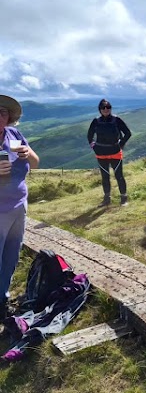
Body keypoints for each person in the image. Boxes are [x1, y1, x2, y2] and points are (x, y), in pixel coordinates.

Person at [0, 95, 40, 320]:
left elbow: (35, 163)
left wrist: (27, 153)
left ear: (9, 117)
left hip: (18, 207)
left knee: (11, 256)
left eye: (2, 112)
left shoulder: (14, 135)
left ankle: (2, 298)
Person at [87, 99, 131, 207]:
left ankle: (124, 199)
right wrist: (94, 146)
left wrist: (121, 144)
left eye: (108, 107)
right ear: (100, 110)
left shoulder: (117, 120)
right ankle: (106, 199)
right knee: (105, 177)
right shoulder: (96, 121)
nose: (106, 109)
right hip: (101, 153)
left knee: (119, 176)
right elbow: (89, 136)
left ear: (111, 108)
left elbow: (128, 133)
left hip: (115, 152)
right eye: (103, 107)